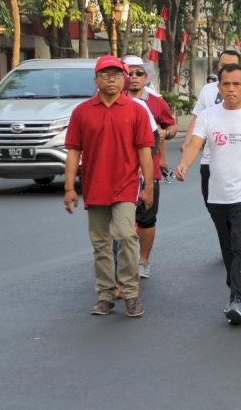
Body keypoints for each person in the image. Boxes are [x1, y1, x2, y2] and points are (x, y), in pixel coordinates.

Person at [176, 64, 241, 325]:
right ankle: (237, 288)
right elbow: (195, 144)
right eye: (226, 84)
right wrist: (185, 163)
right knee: (227, 245)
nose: (231, 89)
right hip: (218, 194)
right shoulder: (209, 116)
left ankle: (237, 300)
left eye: (236, 84)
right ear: (218, 87)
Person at [63, 55, 155, 318]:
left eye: (116, 74)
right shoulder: (82, 112)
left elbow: (145, 152)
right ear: (96, 80)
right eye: (105, 75)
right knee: (101, 242)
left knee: (126, 235)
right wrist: (70, 187)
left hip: (125, 185)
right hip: (94, 186)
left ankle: (130, 292)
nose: (111, 79)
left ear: (124, 79)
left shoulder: (136, 110)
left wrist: (148, 186)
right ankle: (105, 294)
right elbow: (73, 151)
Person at [124, 55, 177, 279]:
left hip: (148, 171)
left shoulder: (155, 102)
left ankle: (143, 260)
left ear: (146, 77)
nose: (134, 78)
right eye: (129, 73)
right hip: (120, 172)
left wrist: (165, 134)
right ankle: (121, 261)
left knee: (146, 219)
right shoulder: (112, 99)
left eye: (139, 73)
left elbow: (171, 126)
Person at [182, 50, 241, 205]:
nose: (227, 68)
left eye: (232, 65)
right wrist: (187, 144)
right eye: (223, 65)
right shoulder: (207, 90)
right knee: (216, 209)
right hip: (210, 162)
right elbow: (197, 118)